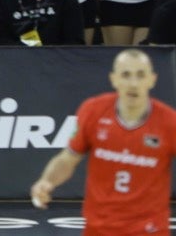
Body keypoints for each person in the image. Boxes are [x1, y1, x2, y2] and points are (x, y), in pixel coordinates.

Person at [31, 48, 176, 232]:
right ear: (113, 79)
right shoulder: (93, 111)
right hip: (99, 227)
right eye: (126, 75)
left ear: (152, 79)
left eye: (140, 75)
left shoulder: (169, 122)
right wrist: (47, 181)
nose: (133, 83)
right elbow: (68, 159)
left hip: (148, 228)